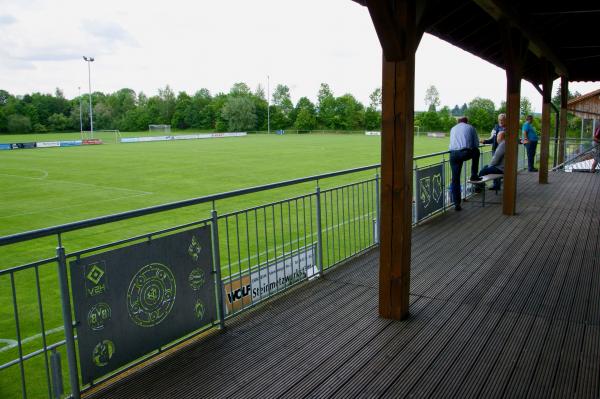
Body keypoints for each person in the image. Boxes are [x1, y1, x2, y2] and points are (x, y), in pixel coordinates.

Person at [449, 116, 481, 211]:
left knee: (455, 179)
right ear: (467, 122)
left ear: (458, 122)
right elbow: (476, 144)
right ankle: (474, 175)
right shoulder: (471, 128)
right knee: (477, 151)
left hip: (453, 154)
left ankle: (457, 204)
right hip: (465, 153)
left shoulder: (453, 128)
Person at [480, 113, 506, 189]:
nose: (501, 121)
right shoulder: (496, 128)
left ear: (506, 120)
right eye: (499, 120)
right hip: (496, 149)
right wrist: (485, 141)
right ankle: (496, 185)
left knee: (494, 166)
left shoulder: (509, 128)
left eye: (503, 120)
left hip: (503, 149)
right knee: (495, 165)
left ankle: (494, 185)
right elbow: (492, 139)